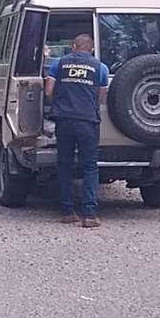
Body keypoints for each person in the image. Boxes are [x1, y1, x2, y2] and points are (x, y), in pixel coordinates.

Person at [45, 34, 109, 228]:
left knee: (64, 165)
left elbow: (48, 91)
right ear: (91, 49)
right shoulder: (101, 67)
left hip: (64, 120)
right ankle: (89, 214)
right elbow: (101, 97)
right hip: (87, 121)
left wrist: (61, 104)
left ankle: (67, 211)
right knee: (89, 166)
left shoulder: (58, 64)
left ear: (73, 46)